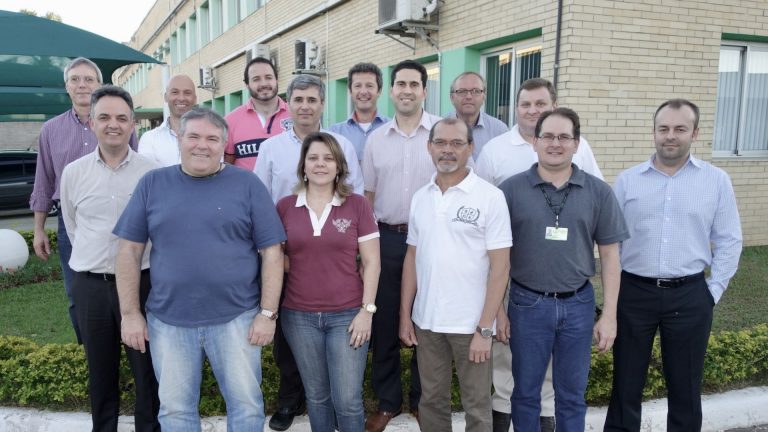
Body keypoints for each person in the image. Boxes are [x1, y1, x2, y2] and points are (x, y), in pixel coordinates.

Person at [114, 107, 286, 431]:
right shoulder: (153, 184)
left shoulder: (247, 184)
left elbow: (272, 253)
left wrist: (267, 313)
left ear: (224, 144)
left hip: (237, 319)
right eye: (193, 136)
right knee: (175, 412)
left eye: (212, 138)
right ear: (179, 139)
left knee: (247, 406)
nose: (202, 145)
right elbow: (128, 250)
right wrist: (130, 313)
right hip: (168, 321)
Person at [604, 99, 743, 432]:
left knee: (685, 386)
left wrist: (712, 291)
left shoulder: (716, 180)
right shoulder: (628, 181)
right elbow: (612, 244)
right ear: (653, 132)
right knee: (625, 384)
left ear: (694, 133)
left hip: (690, 295)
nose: (670, 136)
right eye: (663, 128)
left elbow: (729, 240)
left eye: (680, 129)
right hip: (634, 294)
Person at [476, 77, 605, 432]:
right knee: (516, 376)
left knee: (568, 388)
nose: (533, 111)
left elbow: (595, 209)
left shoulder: (583, 159)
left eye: (540, 104)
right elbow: (486, 224)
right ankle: (508, 420)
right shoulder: (496, 154)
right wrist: (497, 305)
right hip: (518, 284)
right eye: (526, 104)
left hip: (573, 293)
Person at [499, 108, 628, 431]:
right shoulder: (510, 191)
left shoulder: (599, 192)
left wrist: (609, 315)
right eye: (547, 136)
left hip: (578, 305)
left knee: (572, 395)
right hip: (526, 304)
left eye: (563, 137)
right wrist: (498, 312)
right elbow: (498, 257)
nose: (555, 144)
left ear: (576, 143)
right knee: (525, 392)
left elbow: (611, 256)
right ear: (535, 141)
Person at [399, 118, 511, 431]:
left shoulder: (490, 197)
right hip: (428, 322)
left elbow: (500, 268)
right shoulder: (421, 197)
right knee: (431, 401)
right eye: (441, 143)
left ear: (470, 148)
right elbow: (412, 258)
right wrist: (405, 316)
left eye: (457, 143)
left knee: (477, 406)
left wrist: (485, 329)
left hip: (471, 325)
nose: (448, 150)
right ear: (429, 147)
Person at [59, 85, 159, 432]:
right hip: (92, 287)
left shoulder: (153, 173)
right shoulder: (73, 173)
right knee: (100, 372)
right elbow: (73, 226)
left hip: (143, 285)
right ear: (91, 123)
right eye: (104, 117)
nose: (112, 124)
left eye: (121, 118)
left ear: (133, 124)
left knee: (146, 371)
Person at [276, 132, 380, 431]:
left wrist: (367, 311)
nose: (320, 164)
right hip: (298, 317)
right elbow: (275, 259)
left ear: (339, 166)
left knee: (347, 399)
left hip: (348, 315)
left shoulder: (357, 205)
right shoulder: (285, 207)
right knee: (318, 397)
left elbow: (372, 262)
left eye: (328, 158)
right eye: (313, 158)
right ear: (303, 166)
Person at [29, 57, 137, 344]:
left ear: (99, 84)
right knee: (79, 292)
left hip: (123, 217)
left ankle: (131, 342)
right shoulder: (51, 130)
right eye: (75, 79)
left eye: (89, 79)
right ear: (66, 86)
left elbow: (135, 169)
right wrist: (39, 229)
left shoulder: (123, 125)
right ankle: (91, 349)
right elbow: (43, 182)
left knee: (129, 283)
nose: (82, 85)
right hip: (73, 221)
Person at [363, 59, 442, 432]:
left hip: (434, 241)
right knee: (385, 321)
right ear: (391, 91)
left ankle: (423, 401)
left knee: (428, 321)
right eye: (401, 84)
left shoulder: (441, 134)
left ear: (425, 90)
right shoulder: (376, 139)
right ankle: (388, 401)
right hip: (388, 238)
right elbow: (366, 196)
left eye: (415, 84)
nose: (407, 90)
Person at [255, 74, 363, 202]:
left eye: (312, 100)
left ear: (322, 105)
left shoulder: (343, 146)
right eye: (298, 100)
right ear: (288, 105)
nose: (305, 107)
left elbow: (355, 193)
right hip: (282, 222)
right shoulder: (269, 148)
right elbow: (259, 198)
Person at [225, 57, 292, 171]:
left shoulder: (296, 115)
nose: (264, 83)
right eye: (256, 79)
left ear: (276, 80)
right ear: (247, 85)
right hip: (247, 189)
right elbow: (227, 166)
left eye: (268, 77)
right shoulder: (230, 121)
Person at [328, 62, 390, 162]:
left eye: (369, 86)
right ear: (350, 91)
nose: (363, 92)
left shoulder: (392, 129)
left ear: (379, 91)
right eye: (357, 86)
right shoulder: (334, 133)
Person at [445, 71, 509, 158]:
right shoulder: (439, 128)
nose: (468, 96)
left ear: (484, 97)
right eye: (462, 91)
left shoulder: (499, 130)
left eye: (476, 91)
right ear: (452, 98)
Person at [138, 74, 197, 166]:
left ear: (195, 99)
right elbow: (149, 175)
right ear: (166, 97)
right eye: (175, 92)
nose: (181, 98)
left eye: (187, 93)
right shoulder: (149, 139)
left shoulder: (209, 137)